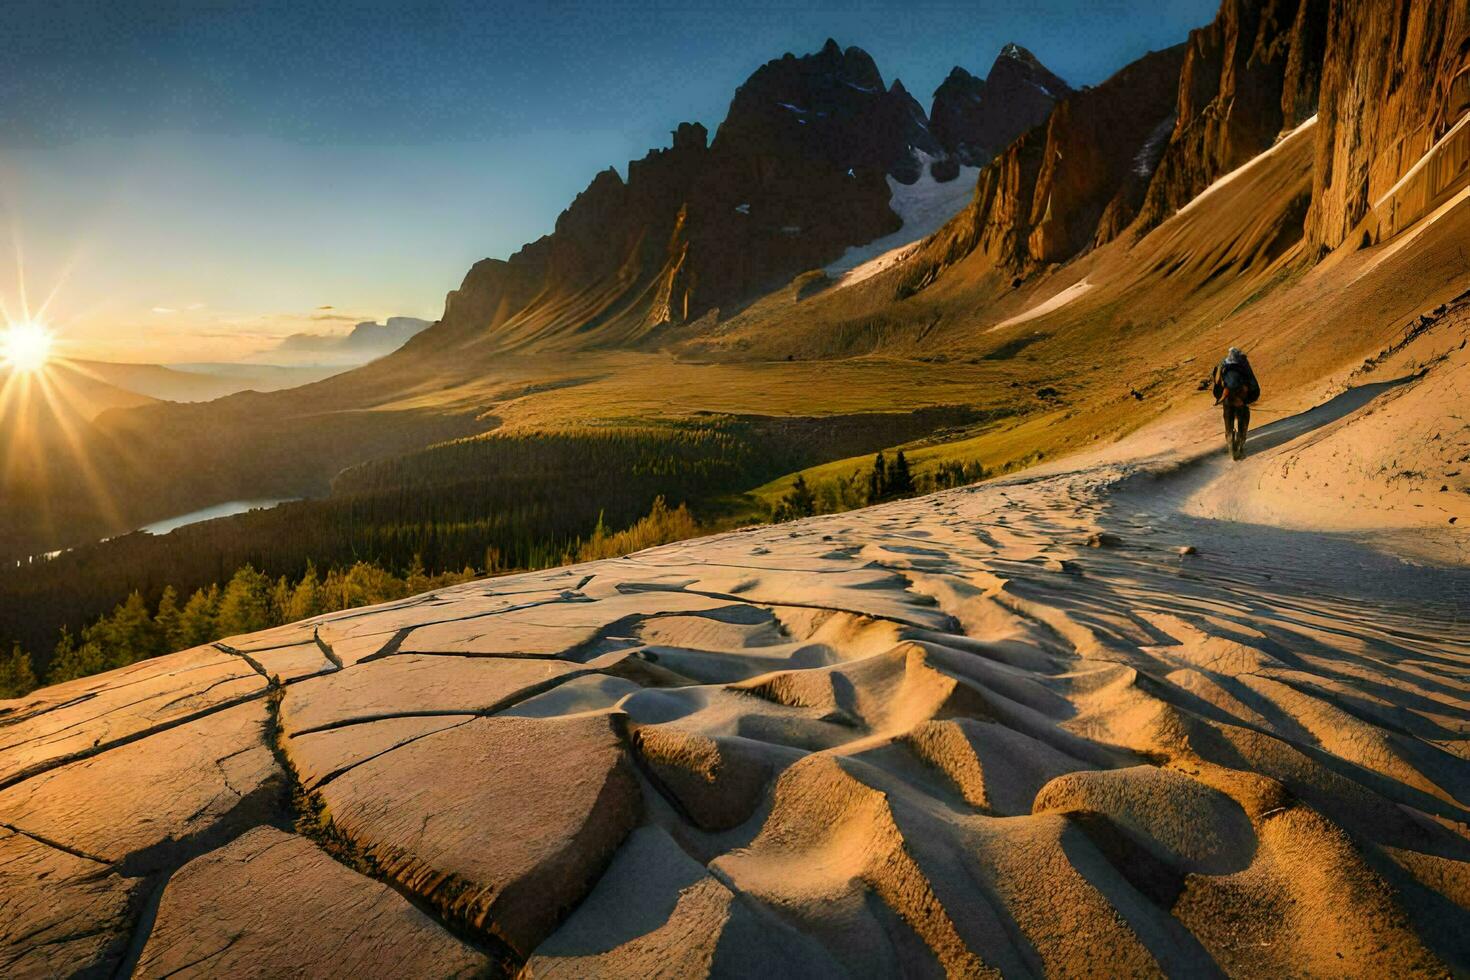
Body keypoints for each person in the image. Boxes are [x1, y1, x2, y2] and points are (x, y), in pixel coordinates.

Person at [1210, 346, 1260, 459]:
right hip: (1241, 399)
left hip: (1226, 399)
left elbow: (1217, 385)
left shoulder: (1223, 365)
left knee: (1228, 419)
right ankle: (1240, 443)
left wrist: (1219, 398)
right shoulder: (1244, 365)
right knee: (1243, 418)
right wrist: (1247, 399)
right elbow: (1253, 385)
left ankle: (1230, 440)